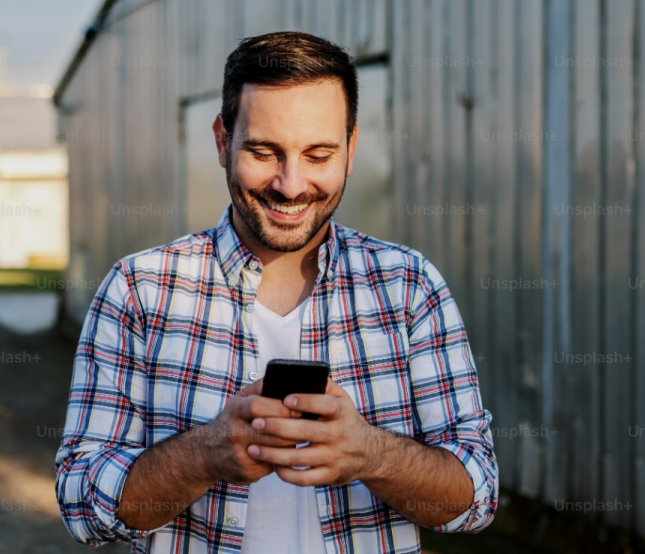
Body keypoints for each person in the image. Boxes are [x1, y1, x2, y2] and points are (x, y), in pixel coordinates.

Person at [55, 30, 498, 554]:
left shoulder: (408, 285)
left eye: (319, 154)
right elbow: (81, 507)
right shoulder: (138, 290)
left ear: (351, 148)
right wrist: (204, 454)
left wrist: (369, 454)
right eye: (265, 152)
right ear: (223, 140)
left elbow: (476, 499)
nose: (290, 185)